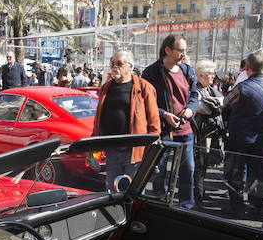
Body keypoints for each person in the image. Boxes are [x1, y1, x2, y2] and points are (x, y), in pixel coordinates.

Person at [140, 34, 199, 209]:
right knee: (160, 170)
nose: (183, 54)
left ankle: (186, 205)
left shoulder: (188, 70)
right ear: (167, 50)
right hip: (163, 130)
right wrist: (164, 114)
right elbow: (144, 101)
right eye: (180, 50)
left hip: (185, 129)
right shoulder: (151, 72)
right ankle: (160, 201)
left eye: (184, 50)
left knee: (187, 169)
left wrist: (190, 109)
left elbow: (194, 95)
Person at [92, 50, 161, 191]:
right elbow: (98, 120)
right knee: (111, 192)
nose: (114, 67)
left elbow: (154, 122)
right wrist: (92, 149)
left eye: (119, 64)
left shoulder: (144, 87)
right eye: (112, 64)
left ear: (130, 66)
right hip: (112, 151)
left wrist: (151, 152)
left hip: (134, 153)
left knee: (132, 193)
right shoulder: (106, 88)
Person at [222, 50, 263, 216]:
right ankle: (256, 207)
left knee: (235, 174)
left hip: (239, 138)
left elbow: (225, 103)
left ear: (247, 68)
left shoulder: (242, 87)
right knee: (256, 174)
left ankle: (237, 208)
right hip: (262, 138)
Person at [192, 59, 224, 204]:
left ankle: (200, 191)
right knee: (199, 163)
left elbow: (223, 101)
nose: (213, 76)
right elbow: (203, 109)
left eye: (213, 73)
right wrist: (216, 103)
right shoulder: (195, 90)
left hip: (211, 132)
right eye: (209, 74)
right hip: (200, 134)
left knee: (204, 163)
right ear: (200, 75)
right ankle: (197, 194)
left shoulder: (211, 90)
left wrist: (216, 102)